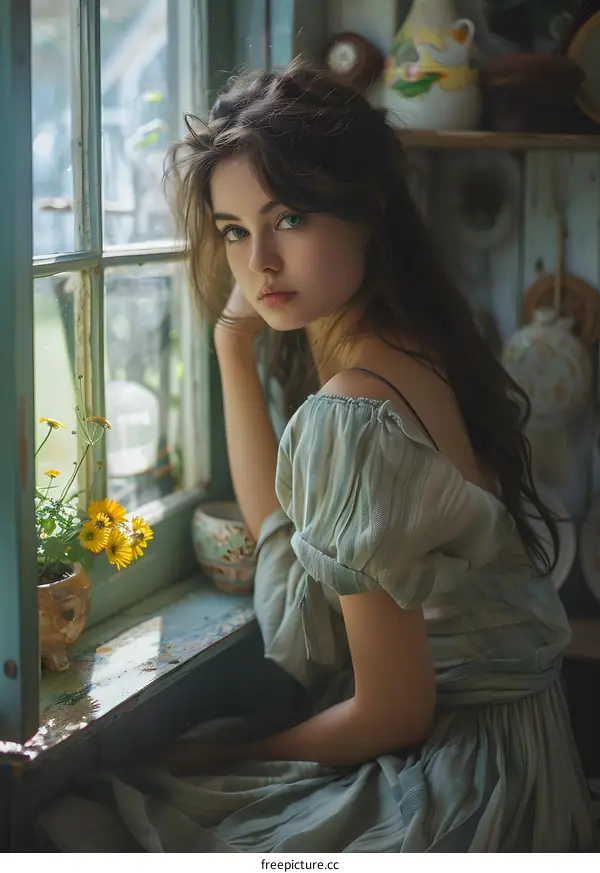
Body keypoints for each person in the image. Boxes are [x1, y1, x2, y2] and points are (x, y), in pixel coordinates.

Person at [39, 61, 598, 852]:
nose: (259, 262)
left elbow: (392, 712)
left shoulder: (357, 407)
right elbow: (286, 534)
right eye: (235, 230)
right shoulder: (412, 340)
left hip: (465, 775)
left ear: (368, 209)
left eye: (290, 218)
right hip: (522, 749)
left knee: (101, 820)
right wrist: (231, 344)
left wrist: (230, 755)